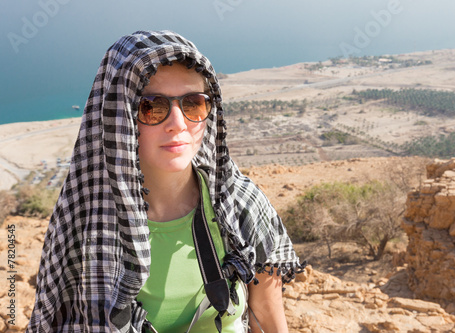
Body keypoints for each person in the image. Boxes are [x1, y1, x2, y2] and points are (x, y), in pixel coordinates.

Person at [27, 30, 304, 332]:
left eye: (194, 104)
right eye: (152, 106)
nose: (178, 123)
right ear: (121, 118)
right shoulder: (88, 229)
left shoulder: (240, 205)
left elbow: (267, 313)